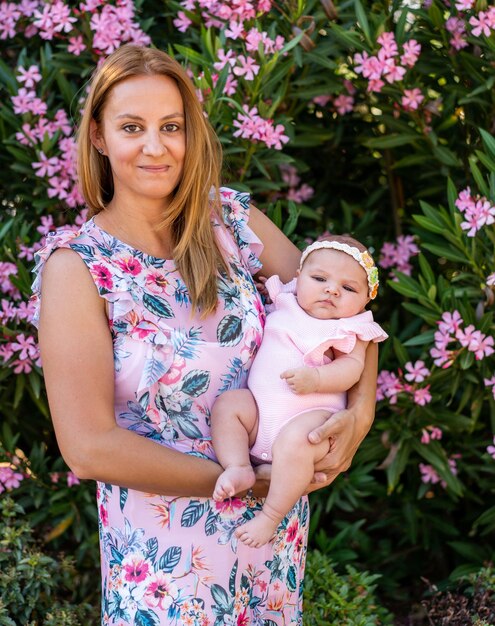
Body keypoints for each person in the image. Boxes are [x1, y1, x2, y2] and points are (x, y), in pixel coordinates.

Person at [31, 44, 380, 626]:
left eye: (171, 126)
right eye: (132, 127)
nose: (155, 145)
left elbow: (343, 312)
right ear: (97, 136)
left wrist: (361, 412)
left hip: (269, 535)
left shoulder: (230, 223)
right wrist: (246, 481)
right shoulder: (79, 267)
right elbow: (88, 448)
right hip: (165, 559)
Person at [211, 235, 388, 547]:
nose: (332, 290)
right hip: (260, 412)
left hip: (310, 416)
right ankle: (238, 466)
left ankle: (270, 516)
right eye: (320, 278)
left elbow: (351, 369)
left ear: (365, 302)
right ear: (298, 278)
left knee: (298, 441)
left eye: (348, 288)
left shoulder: (349, 328)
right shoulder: (286, 300)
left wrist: (317, 379)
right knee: (229, 405)